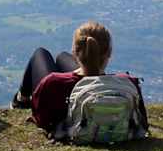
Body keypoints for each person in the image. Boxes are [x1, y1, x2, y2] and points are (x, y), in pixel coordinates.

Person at [15, 21, 145, 134]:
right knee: (61, 57)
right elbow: (142, 119)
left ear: (75, 52)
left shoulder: (53, 82)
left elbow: (41, 119)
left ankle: (21, 100)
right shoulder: (128, 82)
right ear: (109, 53)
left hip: (71, 128)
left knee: (41, 53)